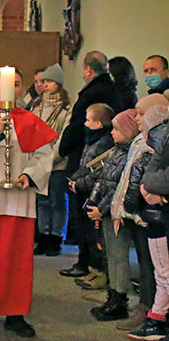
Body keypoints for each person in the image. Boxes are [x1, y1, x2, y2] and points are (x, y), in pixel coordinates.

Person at [0, 67, 56, 337]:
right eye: (8, 83)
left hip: (18, 200)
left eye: (18, 84)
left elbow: (44, 155)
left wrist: (29, 175)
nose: (13, 89)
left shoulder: (30, 120)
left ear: (20, 88)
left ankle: (15, 313)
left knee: (16, 260)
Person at [59, 51, 123, 278]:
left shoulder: (94, 93)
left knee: (86, 218)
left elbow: (78, 126)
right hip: (87, 158)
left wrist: (64, 147)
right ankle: (90, 265)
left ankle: (89, 265)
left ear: (87, 70)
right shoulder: (113, 89)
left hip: (85, 161)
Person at [86, 109, 141, 322]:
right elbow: (104, 180)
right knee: (111, 255)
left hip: (116, 212)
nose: (112, 133)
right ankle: (113, 294)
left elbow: (121, 187)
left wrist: (103, 208)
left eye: (117, 129)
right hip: (106, 210)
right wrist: (93, 204)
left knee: (119, 257)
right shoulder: (117, 150)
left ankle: (119, 298)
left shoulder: (131, 154)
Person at [124, 105, 169, 341]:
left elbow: (155, 174)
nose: (136, 119)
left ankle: (157, 320)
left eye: (141, 115)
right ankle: (156, 316)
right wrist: (150, 185)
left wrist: (153, 188)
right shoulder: (154, 140)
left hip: (158, 215)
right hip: (153, 212)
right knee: (159, 270)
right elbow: (152, 172)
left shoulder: (158, 137)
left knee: (163, 272)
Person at [67, 103, 115, 290]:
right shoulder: (91, 139)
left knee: (97, 237)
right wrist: (75, 179)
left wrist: (79, 183)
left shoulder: (104, 141)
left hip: (95, 193)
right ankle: (93, 269)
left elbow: (98, 170)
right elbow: (86, 165)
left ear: (98, 123)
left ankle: (102, 273)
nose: (85, 123)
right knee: (87, 234)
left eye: (89, 120)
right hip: (84, 192)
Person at [31, 63, 72, 256]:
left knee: (57, 200)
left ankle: (56, 237)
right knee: (42, 201)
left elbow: (64, 136)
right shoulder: (36, 105)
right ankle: (43, 234)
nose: (44, 84)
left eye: (49, 81)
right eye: (43, 81)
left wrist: (51, 158)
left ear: (58, 84)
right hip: (38, 160)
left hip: (57, 162)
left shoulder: (66, 109)